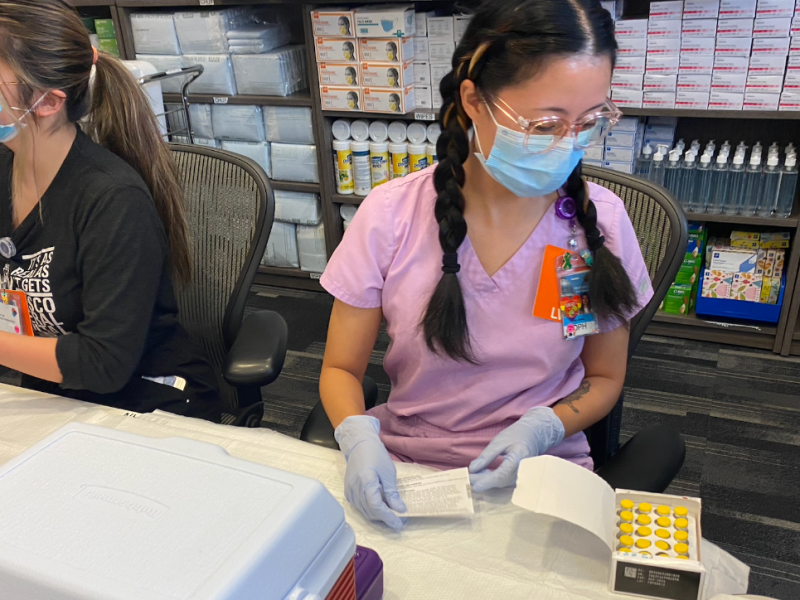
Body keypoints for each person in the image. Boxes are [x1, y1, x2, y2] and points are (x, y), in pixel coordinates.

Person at [319, 0, 655, 530]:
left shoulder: (597, 225)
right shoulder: (391, 215)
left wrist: (544, 427)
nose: (568, 143)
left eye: (588, 122)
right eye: (546, 124)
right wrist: (357, 438)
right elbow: (341, 369)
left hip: (543, 473)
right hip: (408, 468)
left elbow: (606, 376)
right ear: (475, 101)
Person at [0, 0, 221, 420]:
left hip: (145, 402)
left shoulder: (111, 199)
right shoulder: (3, 167)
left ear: (47, 102)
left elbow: (103, 363)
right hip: (52, 393)